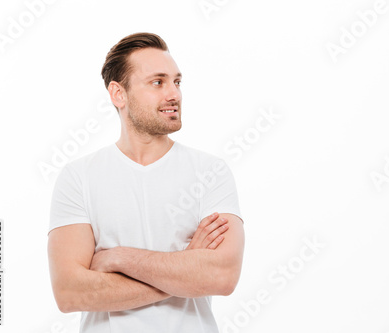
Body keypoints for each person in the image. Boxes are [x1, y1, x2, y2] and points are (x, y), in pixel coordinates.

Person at [47, 32, 244, 333]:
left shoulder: (210, 172)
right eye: (158, 82)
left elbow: (222, 276)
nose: (174, 94)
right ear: (118, 94)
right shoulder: (79, 177)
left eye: (177, 82)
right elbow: (70, 293)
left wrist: (117, 258)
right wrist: (184, 271)